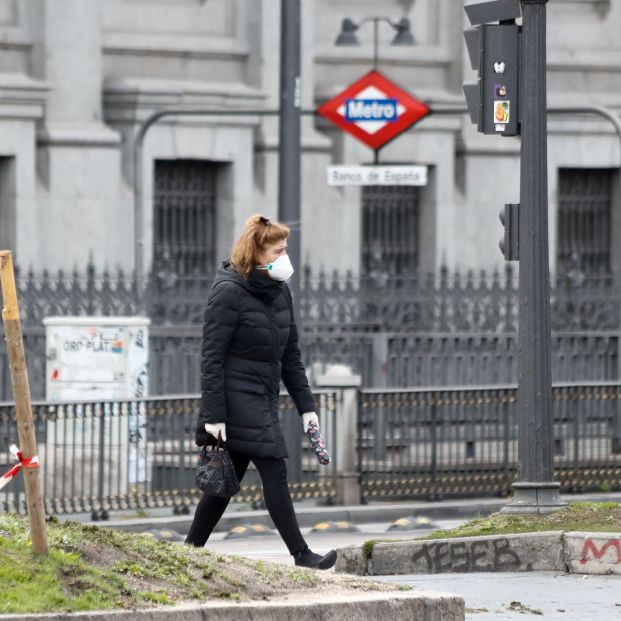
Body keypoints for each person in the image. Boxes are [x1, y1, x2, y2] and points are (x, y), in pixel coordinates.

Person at [185, 214, 337, 570]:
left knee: (224, 483)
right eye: (278, 249)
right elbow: (211, 358)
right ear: (256, 252)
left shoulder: (279, 292)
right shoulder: (228, 292)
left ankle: (189, 551)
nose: (285, 256)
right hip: (236, 399)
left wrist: (307, 408)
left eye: (286, 248)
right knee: (274, 467)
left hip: (262, 398)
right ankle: (301, 554)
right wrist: (214, 416)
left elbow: (291, 358)